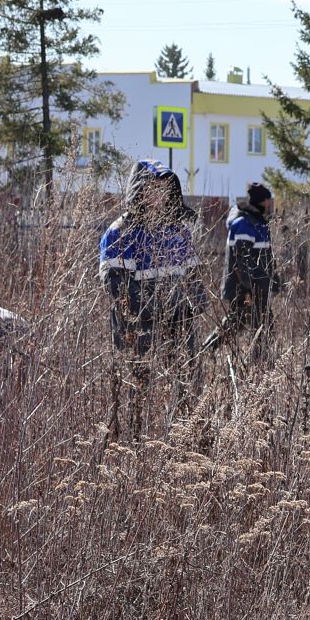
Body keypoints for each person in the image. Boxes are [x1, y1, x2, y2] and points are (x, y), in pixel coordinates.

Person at [99, 160, 204, 431]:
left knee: (187, 381)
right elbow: (117, 286)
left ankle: (186, 436)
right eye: (151, 188)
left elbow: (193, 274)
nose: (159, 195)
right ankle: (135, 440)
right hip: (137, 326)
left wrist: (194, 304)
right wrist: (152, 310)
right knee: (137, 386)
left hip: (178, 323)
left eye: (164, 189)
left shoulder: (178, 231)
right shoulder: (121, 233)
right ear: (138, 190)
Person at [212, 180, 278, 356]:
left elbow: (264, 257)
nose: (270, 204)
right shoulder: (244, 224)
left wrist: (274, 279)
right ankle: (259, 363)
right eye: (268, 201)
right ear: (261, 202)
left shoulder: (259, 223)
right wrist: (248, 288)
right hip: (246, 289)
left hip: (257, 287)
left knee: (255, 325)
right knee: (251, 325)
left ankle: (260, 362)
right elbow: (242, 259)